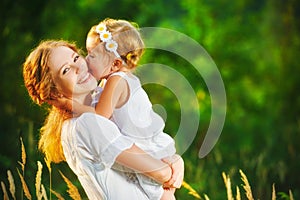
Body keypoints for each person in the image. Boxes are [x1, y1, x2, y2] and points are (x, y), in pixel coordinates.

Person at [23, 40, 183, 200]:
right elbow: (162, 173)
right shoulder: (87, 123)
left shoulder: (94, 108)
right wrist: (173, 164)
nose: (78, 68)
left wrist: (173, 161)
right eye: (66, 70)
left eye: (75, 58)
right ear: (55, 93)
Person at [67, 18, 183, 199]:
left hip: (149, 152)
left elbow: (99, 116)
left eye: (91, 54)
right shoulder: (114, 80)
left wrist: (71, 105)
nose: (86, 60)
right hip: (150, 151)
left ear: (115, 64)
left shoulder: (116, 80)